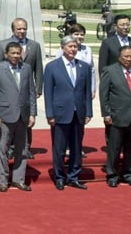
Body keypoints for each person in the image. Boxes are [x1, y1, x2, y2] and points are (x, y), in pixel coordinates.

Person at [44, 35, 92, 190]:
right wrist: (50, 114)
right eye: (70, 46)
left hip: (78, 114)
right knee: (59, 148)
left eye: (75, 47)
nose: (73, 49)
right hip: (60, 114)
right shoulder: (52, 67)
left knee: (77, 148)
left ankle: (73, 176)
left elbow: (86, 92)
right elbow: (48, 92)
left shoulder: (84, 67)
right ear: (62, 48)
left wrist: (88, 112)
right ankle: (59, 176)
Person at [0, 41, 35, 192]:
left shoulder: (26, 68)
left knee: (22, 149)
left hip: (23, 115)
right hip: (5, 115)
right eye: (13, 53)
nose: (15, 56)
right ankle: (3, 180)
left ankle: (18, 179)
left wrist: (33, 113)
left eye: (18, 53)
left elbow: (31, 92)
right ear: (6, 54)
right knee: (4, 148)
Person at [0, 18, 44, 158]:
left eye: (24, 28)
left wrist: (38, 88)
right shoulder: (2, 45)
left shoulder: (34, 46)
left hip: (26, 89)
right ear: (13, 29)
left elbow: (38, 68)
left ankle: (26, 148)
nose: (22, 31)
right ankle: (9, 148)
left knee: (26, 118)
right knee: (8, 121)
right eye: (19, 29)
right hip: (7, 91)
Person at [100, 46, 131, 187]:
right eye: (126, 56)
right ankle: (112, 174)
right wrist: (106, 114)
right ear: (119, 57)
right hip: (116, 116)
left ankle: (129, 174)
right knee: (114, 148)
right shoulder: (109, 71)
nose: (129, 59)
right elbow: (104, 95)